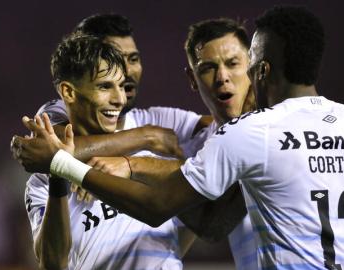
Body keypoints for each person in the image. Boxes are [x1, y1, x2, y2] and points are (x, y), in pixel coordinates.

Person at [18, 6, 344, 268]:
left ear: (258, 69)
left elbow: (168, 208)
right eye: (208, 68)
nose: (223, 78)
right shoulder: (334, 122)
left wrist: (129, 165)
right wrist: (145, 142)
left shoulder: (244, 135)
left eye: (235, 64)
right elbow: (212, 222)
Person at [13, 15, 257, 269]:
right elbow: (52, 262)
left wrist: (134, 164)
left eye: (133, 59)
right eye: (107, 82)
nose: (122, 91)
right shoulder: (46, 169)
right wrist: (146, 137)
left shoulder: (167, 122)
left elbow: (224, 131)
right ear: (70, 91)